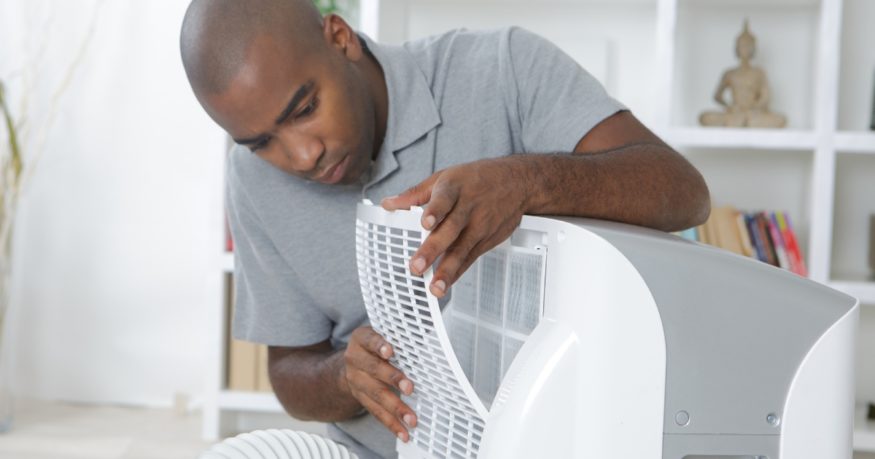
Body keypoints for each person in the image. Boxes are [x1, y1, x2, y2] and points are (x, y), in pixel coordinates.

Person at [180, 0, 710, 457]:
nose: (302, 155)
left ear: (339, 38)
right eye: (260, 142)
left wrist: (527, 182)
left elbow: (684, 193)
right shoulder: (252, 182)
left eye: (305, 109)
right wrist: (345, 375)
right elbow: (290, 371)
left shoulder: (503, 67)